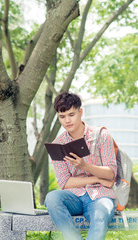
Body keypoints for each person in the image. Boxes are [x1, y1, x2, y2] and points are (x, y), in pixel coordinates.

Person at [45, 92, 117, 240]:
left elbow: (111, 174)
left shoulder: (101, 135)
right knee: (51, 198)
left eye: (71, 114)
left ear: (80, 112)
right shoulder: (58, 144)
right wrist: (96, 179)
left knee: (100, 213)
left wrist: (85, 166)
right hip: (74, 197)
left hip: (100, 196)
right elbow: (65, 183)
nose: (67, 120)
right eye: (62, 116)